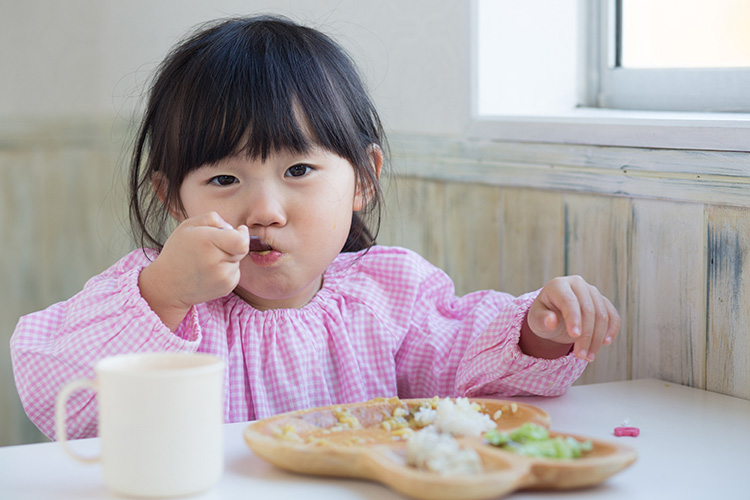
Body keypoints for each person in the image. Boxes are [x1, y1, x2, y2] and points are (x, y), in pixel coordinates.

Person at [10, 15, 620, 440]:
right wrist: (164, 296)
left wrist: (540, 331)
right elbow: (60, 404)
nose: (265, 210)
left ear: (363, 179)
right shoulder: (157, 297)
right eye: (224, 181)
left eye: (298, 169)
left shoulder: (389, 296)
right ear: (173, 198)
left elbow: (472, 366)